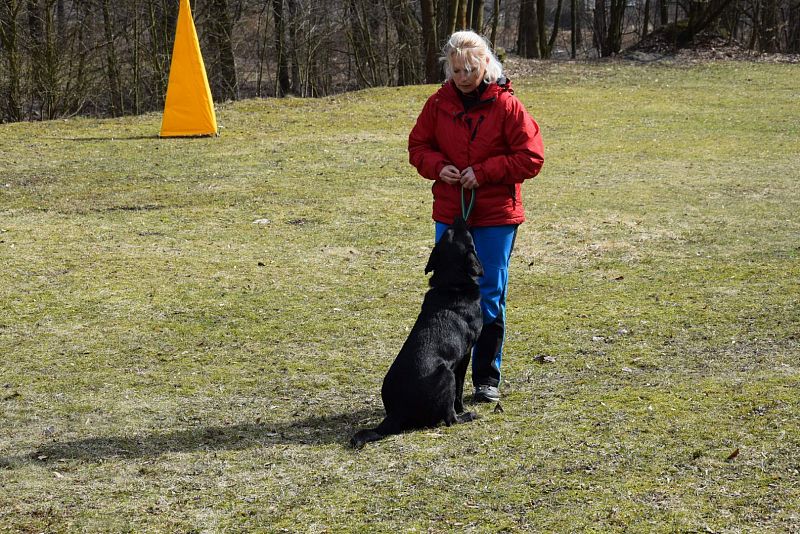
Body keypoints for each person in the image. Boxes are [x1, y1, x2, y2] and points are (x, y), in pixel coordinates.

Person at [408, 30, 545, 403]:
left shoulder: (508, 107)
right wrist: (439, 166)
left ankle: (486, 378)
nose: (464, 77)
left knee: (488, 295)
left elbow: (531, 157)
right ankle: (446, 376)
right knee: (448, 294)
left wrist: (483, 172)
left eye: (470, 68)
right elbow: (418, 146)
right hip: (452, 212)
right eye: (456, 70)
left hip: (496, 215)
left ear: (487, 64)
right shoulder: (437, 104)